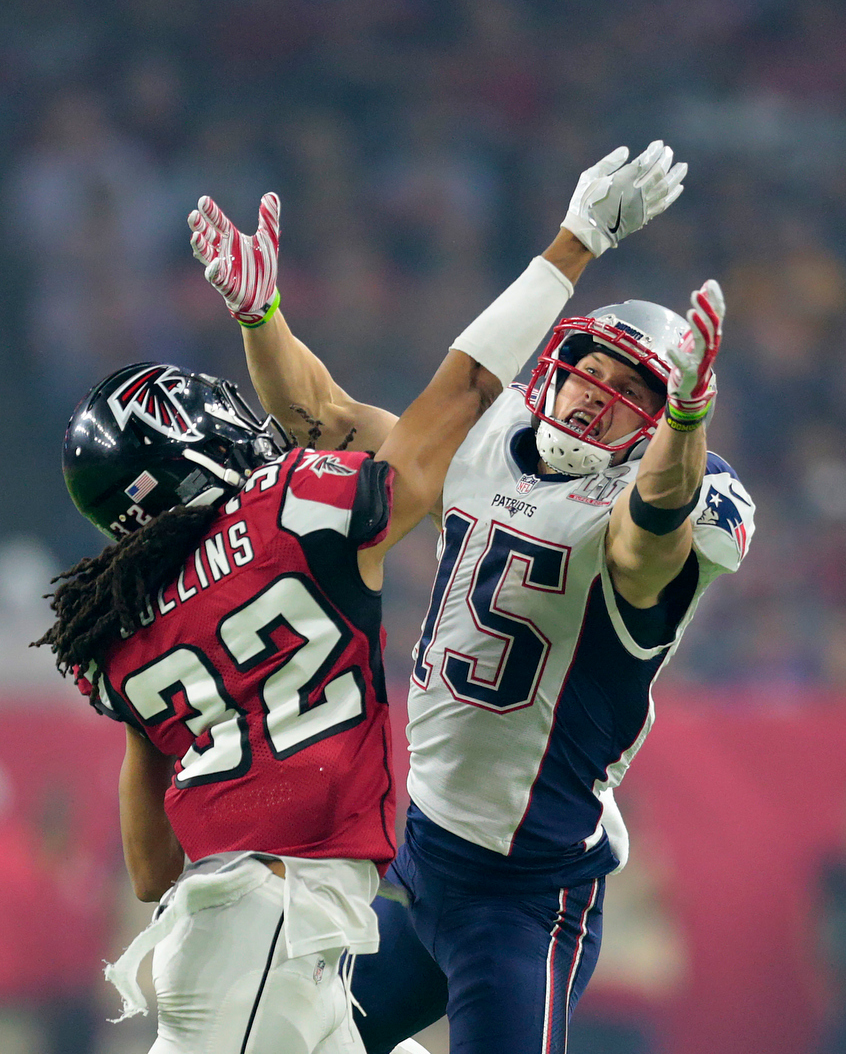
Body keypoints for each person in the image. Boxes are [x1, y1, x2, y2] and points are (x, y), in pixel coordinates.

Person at [34, 145, 681, 1054]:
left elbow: (150, 870)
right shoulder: (293, 509)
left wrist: (264, 321)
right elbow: (443, 398)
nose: (235, 416)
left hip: (269, 935)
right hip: (281, 928)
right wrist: (573, 243)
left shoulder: (120, 625)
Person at [188, 141, 749, 1054]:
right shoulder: (486, 445)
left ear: (659, 421)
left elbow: (650, 541)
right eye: (594, 369)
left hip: (526, 899)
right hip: (422, 860)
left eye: (634, 391)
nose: (598, 396)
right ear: (558, 362)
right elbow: (323, 417)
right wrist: (263, 319)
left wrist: (687, 426)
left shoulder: (647, 506)